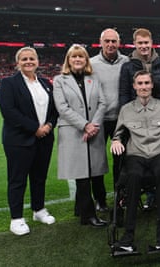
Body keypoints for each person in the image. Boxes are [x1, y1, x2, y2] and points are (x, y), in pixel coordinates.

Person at [111, 70, 160, 250]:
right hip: (136, 155)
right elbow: (117, 134)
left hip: (159, 154)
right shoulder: (126, 109)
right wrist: (116, 141)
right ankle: (128, 236)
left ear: (152, 85)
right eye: (140, 84)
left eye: (146, 83)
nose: (143, 87)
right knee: (132, 176)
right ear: (134, 86)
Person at [0, 47, 57, 235]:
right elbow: (9, 112)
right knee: (17, 180)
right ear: (18, 63)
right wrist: (35, 129)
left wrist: (48, 126)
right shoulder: (8, 83)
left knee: (39, 178)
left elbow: (54, 110)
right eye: (24, 59)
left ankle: (38, 210)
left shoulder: (46, 83)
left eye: (32, 58)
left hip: (44, 139)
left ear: (38, 61)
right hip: (19, 141)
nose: (28, 61)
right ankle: (16, 219)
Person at [119, 27, 160, 209]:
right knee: (134, 158)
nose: (143, 46)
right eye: (140, 43)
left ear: (151, 43)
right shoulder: (128, 65)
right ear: (135, 44)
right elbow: (124, 94)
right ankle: (128, 194)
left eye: (146, 43)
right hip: (136, 119)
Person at [53, 44, 108, 227]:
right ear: (68, 60)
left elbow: (102, 103)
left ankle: (81, 208)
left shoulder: (93, 78)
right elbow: (62, 108)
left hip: (94, 131)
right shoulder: (60, 80)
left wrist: (93, 126)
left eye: (81, 57)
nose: (77, 60)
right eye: (73, 57)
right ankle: (88, 216)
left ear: (86, 60)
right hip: (73, 132)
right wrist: (85, 125)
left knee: (93, 172)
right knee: (82, 176)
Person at [90, 28, 130, 212]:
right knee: (97, 162)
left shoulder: (127, 62)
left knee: (121, 161)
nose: (110, 44)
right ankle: (100, 200)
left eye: (114, 41)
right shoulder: (91, 64)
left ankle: (120, 197)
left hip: (120, 119)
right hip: (99, 119)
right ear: (101, 42)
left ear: (119, 43)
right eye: (107, 41)